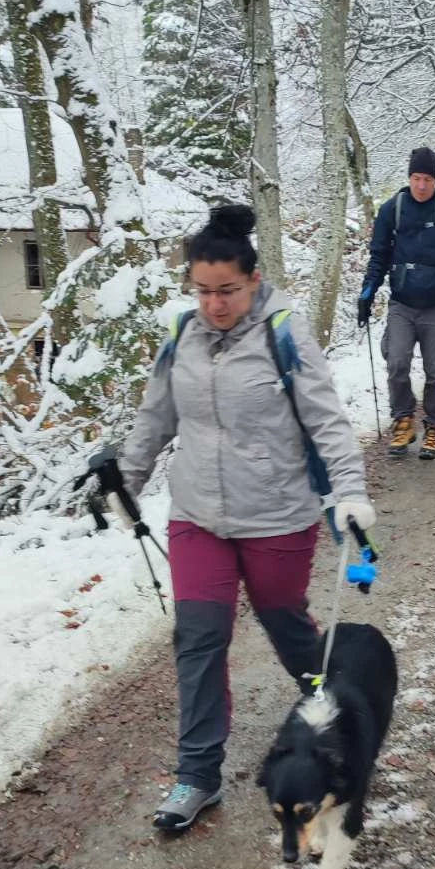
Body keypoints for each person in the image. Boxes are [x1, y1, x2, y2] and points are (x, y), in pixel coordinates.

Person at [112, 204, 375, 833]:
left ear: (253, 280)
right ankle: (197, 775)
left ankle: (338, 714)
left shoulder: (284, 333)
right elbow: (155, 419)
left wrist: (350, 490)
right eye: (201, 290)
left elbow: (326, 419)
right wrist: (126, 480)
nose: (213, 304)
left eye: (226, 290)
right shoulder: (182, 337)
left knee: (287, 625)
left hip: (277, 513)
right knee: (199, 638)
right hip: (197, 513)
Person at [358, 146, 435, 460]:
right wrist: (367, 292)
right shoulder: (391, 210)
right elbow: (378, 256)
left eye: (427, 179)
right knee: (396, 362)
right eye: (416, 178)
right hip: (402, 301)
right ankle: (403, 420)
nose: (421, 185)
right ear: (409, 176)